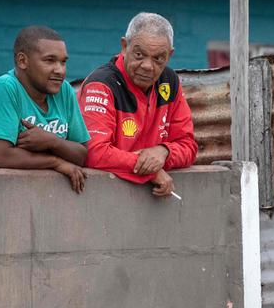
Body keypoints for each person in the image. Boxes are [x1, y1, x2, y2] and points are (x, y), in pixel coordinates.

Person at [78, 12, 197, 197]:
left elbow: (188, 145)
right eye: (139, 55)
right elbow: (94, 152)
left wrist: (164, 151)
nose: (148, 66)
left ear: (170, 55)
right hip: (99, 198)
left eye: (159, 58)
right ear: (124, 47)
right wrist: (150, 168)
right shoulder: (101, 84)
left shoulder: (169, 82)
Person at [0, 25, 90, 193]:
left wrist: (52, 141)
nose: (60, 70)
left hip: (45, 200)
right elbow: (0, 157)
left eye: (63, 62)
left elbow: (81, 154)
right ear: (22, 61)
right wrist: (56, 162)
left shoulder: (64, 91)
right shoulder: (3, 89)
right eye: (49, 60)